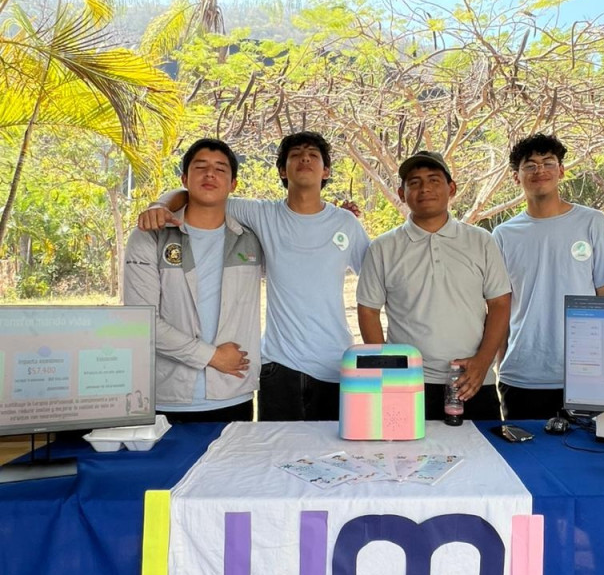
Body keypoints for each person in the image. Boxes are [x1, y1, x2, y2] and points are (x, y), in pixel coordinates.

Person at [137, 131, 369, 421]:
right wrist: (160, 205)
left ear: (326, 171)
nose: (305, 159)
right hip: (278, 367)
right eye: (295, 155)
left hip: (336, 365)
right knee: (275, 449)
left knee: (334, 448)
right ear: (282, 170)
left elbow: (375, 282)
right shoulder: (261, 214)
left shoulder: (346, 223)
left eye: (313, 155)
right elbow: (200, 194)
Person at [357, 150, 511, 420]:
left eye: (434, 180)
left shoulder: (481, 241)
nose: (425, 188)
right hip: (408, 382)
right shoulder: (383, 248)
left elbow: (499, 303)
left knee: (482, 447)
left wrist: (483, 362)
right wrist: (388, 370)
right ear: (402, 193)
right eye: (414, 182)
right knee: (408, 448)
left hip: (473, 379)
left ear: (451, 188)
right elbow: (368, 310)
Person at [124, 138, 262, 424]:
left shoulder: (252, 239)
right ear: (184, 179)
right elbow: (142, 321)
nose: (210, 174)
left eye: (220, 169)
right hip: (168, 396)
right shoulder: (150, 236)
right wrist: (212, 356)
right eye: (200, 167)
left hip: (233, 393)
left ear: (233, 184)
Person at [492, 133, 604, 420]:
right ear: (516, 177)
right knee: (526, 448)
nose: (539, 170)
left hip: (586, 373)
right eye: (530, 165)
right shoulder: (503, 235)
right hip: (522, 374)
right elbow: (500, 305)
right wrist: (501, 364)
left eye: (548, 163)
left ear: (561, 170)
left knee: (586, 447)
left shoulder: (592, 222)